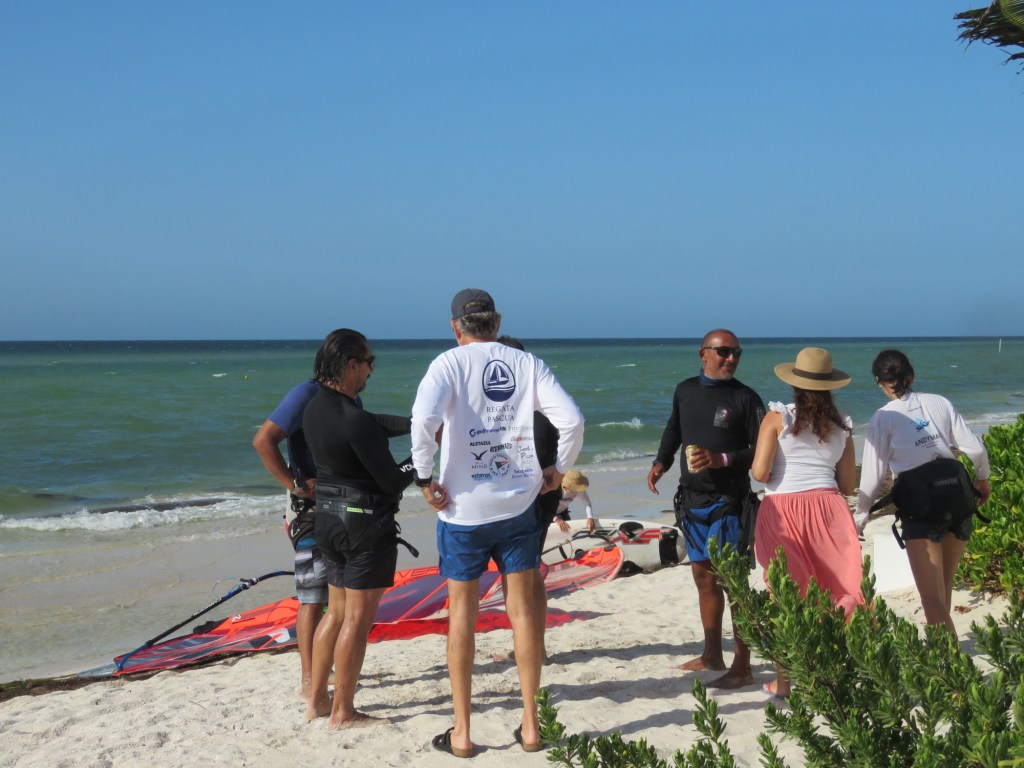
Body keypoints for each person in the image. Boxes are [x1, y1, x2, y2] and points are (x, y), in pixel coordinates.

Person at [411, 289, 585, 757]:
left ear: (455, 327)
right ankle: (531, 725)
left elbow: (422, 421)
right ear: (497, 321)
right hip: (518, 505)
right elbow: (572, 420)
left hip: (463, 511)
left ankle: (464, 732)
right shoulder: (527, 363)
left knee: (462, 617)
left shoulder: (447, 364)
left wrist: (424, 479)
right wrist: (558, 469)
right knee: (523, 613)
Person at [301, 329, 416, 728]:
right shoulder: (353, 419)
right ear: (351, 365)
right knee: (356, 621)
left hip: (328, 520)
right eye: (369, 362)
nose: (371, 370)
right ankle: (344, 710)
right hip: (364, 525)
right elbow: (392, 480)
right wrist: (423, 457)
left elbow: (371, 424)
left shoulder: (316, 407)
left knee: (335, 614)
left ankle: (317, 699)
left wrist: (417, 424)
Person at [646, 329, 764, 689]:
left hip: (729, 502)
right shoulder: (685, 390)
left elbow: (762, 452)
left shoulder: (746, 398)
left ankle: (743, 665)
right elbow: (675, 428)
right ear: (703, 354)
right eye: (724, 352)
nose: (731, 358)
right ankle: (712, 654)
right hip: (692, 500)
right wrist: (662, 461)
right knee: (703, 578)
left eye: (737, 353)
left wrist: (721, 459)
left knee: (733, 584)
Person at [750, 347, 863, 699]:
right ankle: (837, 673)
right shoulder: (843, 426)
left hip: (783, 509)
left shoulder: (777, 418)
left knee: (785, 595)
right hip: (830, 509)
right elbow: (848, 485)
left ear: (795, 383)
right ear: (830, 386)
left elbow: (759, 473)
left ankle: (784, 682)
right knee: (838, 587)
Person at [856, 349, 991, 633]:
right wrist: (982, 478)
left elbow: (873, 475)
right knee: (943, 588)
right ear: (912, 374)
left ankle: (948, 658)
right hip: (958, 496)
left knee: (930, 598)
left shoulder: (883, 417)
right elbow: (976, 448)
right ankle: (945, 650)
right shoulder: (939, 402)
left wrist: (862, 514)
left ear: (879, 381)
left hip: (921, 504)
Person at [252, 379, 327, 703]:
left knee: (334, 596)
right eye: (368, 362)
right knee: (313, 596)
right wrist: (294, 485)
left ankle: (324, 669)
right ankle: (308, 680)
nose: (371, 369)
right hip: (307, 512)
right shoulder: (306, 393)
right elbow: (263, 440)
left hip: (338, 508)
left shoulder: (349, 398)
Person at [557, 469, 596, 533]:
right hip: (547, 514)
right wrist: (556, 519)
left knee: (569, 532)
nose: (578, 490)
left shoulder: (579, 489)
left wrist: (590, 517)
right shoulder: (557, 489)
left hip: (563, 512)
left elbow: (587, 502)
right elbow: (544, 507)